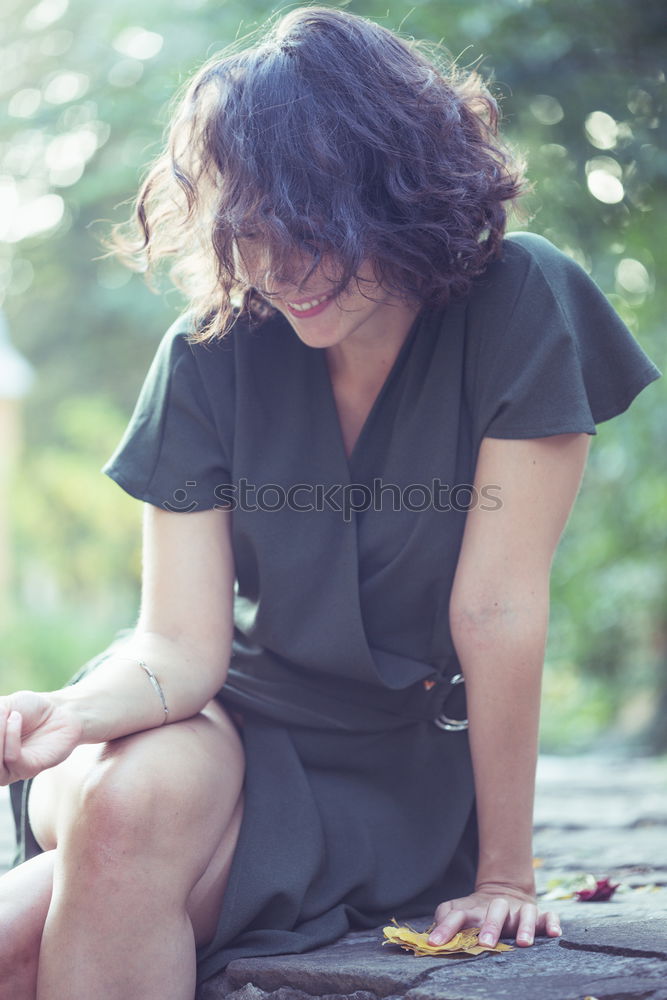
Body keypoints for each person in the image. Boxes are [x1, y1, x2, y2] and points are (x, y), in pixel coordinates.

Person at [0, 6, 662, 999]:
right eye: (249, 234)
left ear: (398, 190)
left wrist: (503, 873)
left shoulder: (522, 299)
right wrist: (68, 711)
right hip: (219, 724)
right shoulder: (207, 351)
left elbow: (495, 609)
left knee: (27, 932)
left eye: (308, 231)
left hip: (396, 768)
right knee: (120, 796)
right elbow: (180, 647)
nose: (277, 272)